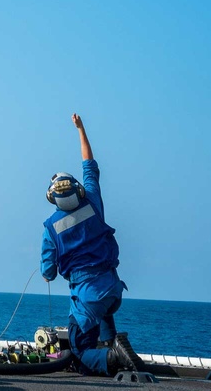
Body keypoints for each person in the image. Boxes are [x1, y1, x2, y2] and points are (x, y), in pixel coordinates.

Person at [40, 114, 141, 376]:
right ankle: (114, 342)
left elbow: (48, 272)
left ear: (53, 198)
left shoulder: (51, 228)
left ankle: (113, 356)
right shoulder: (93, 201)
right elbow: (89, 165)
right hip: (113, 288)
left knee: (79, 352)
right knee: (103, 311)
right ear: (77, 189)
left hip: (88, 295)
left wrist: (46, 272)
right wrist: (80, 129)